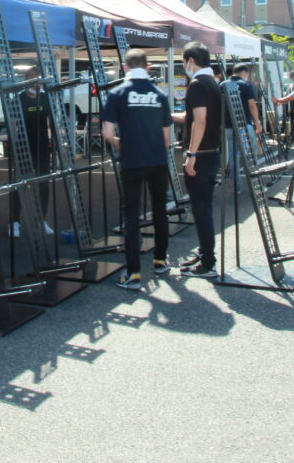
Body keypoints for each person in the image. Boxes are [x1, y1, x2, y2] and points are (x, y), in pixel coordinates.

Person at [101, 49, 172, 290]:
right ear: (147, 66)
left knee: (131, 215)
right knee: (160, 210)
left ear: (125, 67)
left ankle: (133, 273)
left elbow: (107, 132)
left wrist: (118, 142)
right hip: (157, 160)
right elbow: (167, 139)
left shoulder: (117, 93)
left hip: (131, 161)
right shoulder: (160, 95)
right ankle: (160, 260)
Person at [172, 41, 222, 278]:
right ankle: (204, 254)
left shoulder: (196, 84)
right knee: (204, 208)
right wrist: (168, 114)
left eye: (183, 61)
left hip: (200, 156)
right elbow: (192, 117)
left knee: (201, 210)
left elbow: (199, 121)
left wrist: (191, 154)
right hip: (212, 153)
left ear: (191, 60)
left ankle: (208, 263)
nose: (184, 66)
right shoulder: (213, 82)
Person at [9, 65, 55, 238]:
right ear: (26, 81)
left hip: (42, 148)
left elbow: (51, 121)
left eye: (38, 80)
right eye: (31, 79)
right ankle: (14, 222)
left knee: (43, 185)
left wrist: (55, 142)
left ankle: (40, 221)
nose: (36, 84)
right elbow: (13, 125)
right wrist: (14, 146)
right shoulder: (19, 100)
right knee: (20, 185)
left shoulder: (45, 99)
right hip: (23, 147)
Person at [224, 63, 263, 184]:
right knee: (251, 155)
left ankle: (237, 185)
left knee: (233, 155)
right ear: (244, 72)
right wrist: (257, 122)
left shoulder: (223, 85)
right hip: (244, 124)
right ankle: (255, 183)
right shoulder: (246, 85)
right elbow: (252, 105)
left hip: (228, 125)